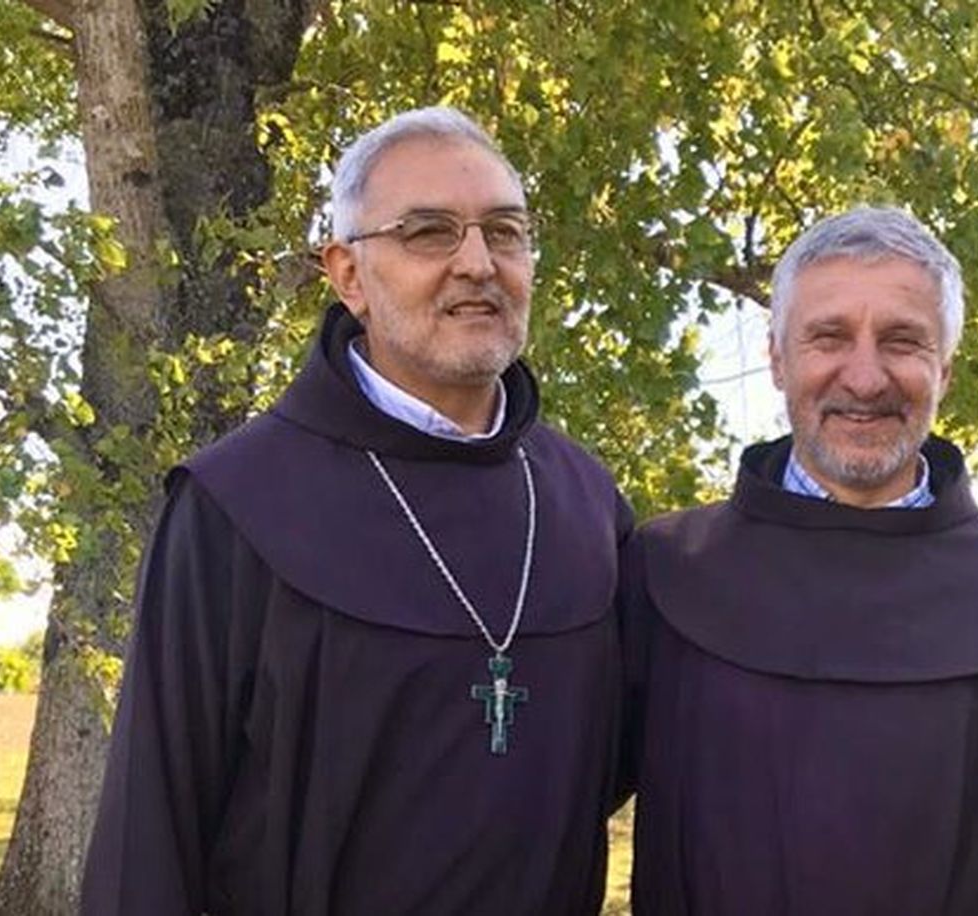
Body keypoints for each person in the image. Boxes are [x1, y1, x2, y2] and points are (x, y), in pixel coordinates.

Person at [82, 106, 632, 915]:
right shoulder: (235, 505)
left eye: (505, 232)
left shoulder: (586, 502)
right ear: (346, 274)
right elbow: (150, 831)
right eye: (429, 233)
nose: (477, 262)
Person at [621, 206, 978, 914]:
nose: (865, 378)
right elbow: (534, 810)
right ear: (777, 358)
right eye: (828, 337)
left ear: (945, 370)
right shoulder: (669, 574)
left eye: (902, 341)